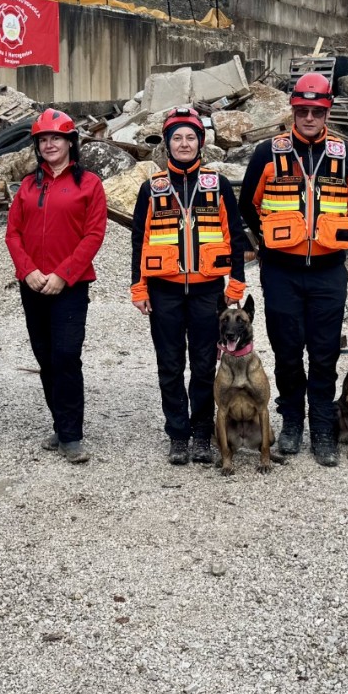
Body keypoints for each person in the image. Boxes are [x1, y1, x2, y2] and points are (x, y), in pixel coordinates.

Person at [238, 72, 348, 467]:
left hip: (328, 272)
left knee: (325, 353)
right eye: (302, 110)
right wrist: (270, 242)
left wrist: (333, 239)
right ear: (293, 110)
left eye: (316, 111)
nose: (309, 117)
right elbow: (248, 205)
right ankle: (293, 421)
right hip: (282, 272)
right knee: (288, 351)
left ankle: (323, 428)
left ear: (327, 112)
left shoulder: (346, 154)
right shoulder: (267, 153)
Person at [130, 106, 248, 465]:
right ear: (167, 144)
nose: (184, 143)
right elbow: (139, 241)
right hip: (163, 291)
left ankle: (201, 433)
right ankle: (178, 435)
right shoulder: (151, 189)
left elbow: (235, 237)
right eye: (177, 138)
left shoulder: (218, 185)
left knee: (203, 366)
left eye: (190, 137)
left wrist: (236, 285)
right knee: (169, 367)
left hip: (207, 292)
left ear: (201, 143)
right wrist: (139, 287)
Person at [5, 108, 107, 464]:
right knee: (45, 357)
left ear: (70, 143)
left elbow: (94, 234)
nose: (49, 145)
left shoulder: (89, 184)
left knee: (66, 356)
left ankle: (71, 435)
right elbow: (13, 233)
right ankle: (60, 424)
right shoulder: (28, 186)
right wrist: (27, 270)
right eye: (43, 140)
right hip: (32, 285)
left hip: (70, 286)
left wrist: (64, 274)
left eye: (56, 139)